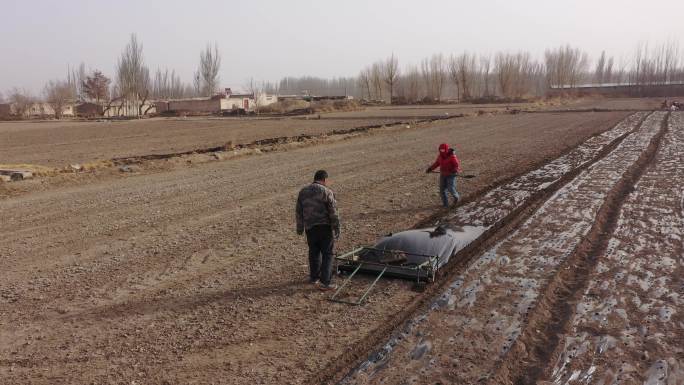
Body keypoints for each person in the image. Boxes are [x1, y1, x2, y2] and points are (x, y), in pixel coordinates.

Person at [296, 170, 340, 290]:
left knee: (314, 252)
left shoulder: (303, 192)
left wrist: (300, 228)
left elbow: (299, 211)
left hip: (310, 228)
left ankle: (314, 278)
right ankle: (325, 282)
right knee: (328, 253)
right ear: (324, 179)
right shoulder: (327, 191)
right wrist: (336, 227)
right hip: (324, 227)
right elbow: (333, 212)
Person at [425, 143, 462, 207]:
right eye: (440, 150)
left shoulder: (452, 156)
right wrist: (430, 168)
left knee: (450, 187)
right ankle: (445, 204)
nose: (441, 151)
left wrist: (455, 170)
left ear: (446, 150)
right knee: (442, 190)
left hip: (451, 174)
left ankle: (456, 197)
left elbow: (456, 165)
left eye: (443, 150)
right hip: (443, 174)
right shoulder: (440, 156)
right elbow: (437, 163)